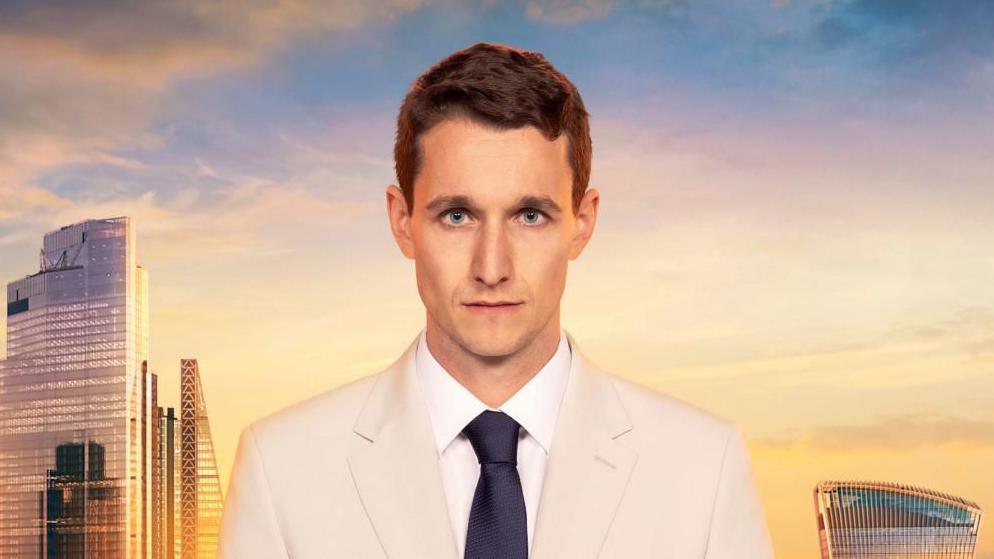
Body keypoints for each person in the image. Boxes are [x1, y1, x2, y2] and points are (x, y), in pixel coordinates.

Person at [217, 41, 774, 559]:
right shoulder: (283, 469)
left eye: (530, 216)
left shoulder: (703, 467)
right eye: (456, 216)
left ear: (582, 224)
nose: (492, 268)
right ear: (402, 222)